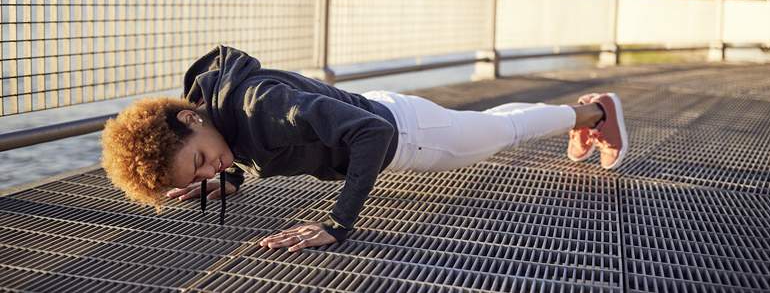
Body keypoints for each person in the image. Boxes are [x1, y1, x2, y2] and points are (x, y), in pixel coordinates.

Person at [100, 44, 628, 253]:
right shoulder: (225, 116)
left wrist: (336, 223)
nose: (206, 173)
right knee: (490, 124)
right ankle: (584, 114)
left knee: (498, 134)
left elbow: (369, 137)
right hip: (380, 111)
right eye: (193, 179)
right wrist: (229, 177)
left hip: (410, 134)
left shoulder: (262, 105)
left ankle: (596, 113)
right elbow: (256, 149)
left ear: (191, 118)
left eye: (198, 162)